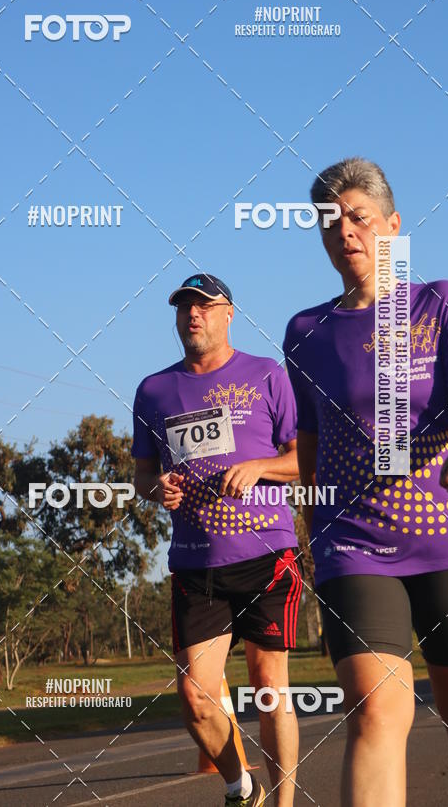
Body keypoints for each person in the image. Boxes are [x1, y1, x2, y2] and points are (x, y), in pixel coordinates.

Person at [283, 157, 448, 807]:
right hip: (355, 545)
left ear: (393, 226)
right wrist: (314, 528)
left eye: (360, 218)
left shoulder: (440, 303)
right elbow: (307, 443)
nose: (346, 233)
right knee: (375, 713)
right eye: (331, 224)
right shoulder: (306, 333)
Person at [133, 273, 303, 807]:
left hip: (267, 555)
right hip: (195, 563)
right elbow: (141, 476)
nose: (193, 315)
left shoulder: (266, 375)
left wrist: (260, 468)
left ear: (229, 313)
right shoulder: (154, 390)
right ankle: (240, 785)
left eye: (205, 306)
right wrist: (155, 488)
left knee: (269, 685)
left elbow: (304, 459)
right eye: (184, 307)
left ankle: (284, 802)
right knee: (195, 697)